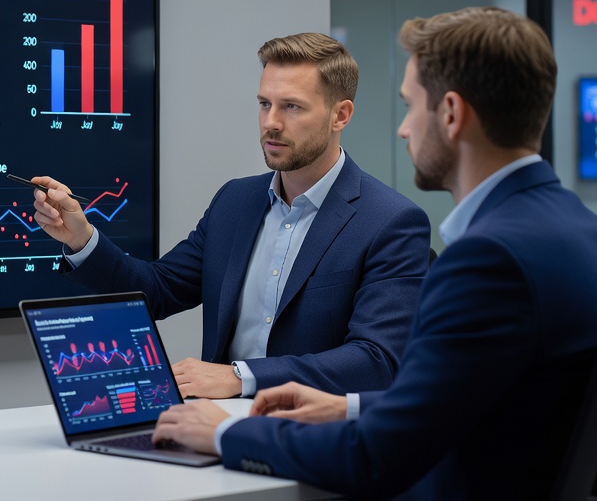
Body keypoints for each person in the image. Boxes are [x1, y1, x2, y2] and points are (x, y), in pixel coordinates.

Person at [154, 7, 597, 501]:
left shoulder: (489, 260)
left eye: (411, 106)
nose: (404, 129)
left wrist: (223, 433)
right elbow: (471, 401)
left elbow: (373, 459)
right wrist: (346, 407)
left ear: (450, 113)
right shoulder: (585, 230)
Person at [33, 33, 432, 399]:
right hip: (216, 426)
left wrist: (241, 377)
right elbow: (156, 291)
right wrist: (81, 239)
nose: (271, 122)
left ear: (340, 115)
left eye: (292, 106)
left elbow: (376, 360)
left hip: (315, 437)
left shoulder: (390, 222)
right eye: (264, 104)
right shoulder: (235, 202)